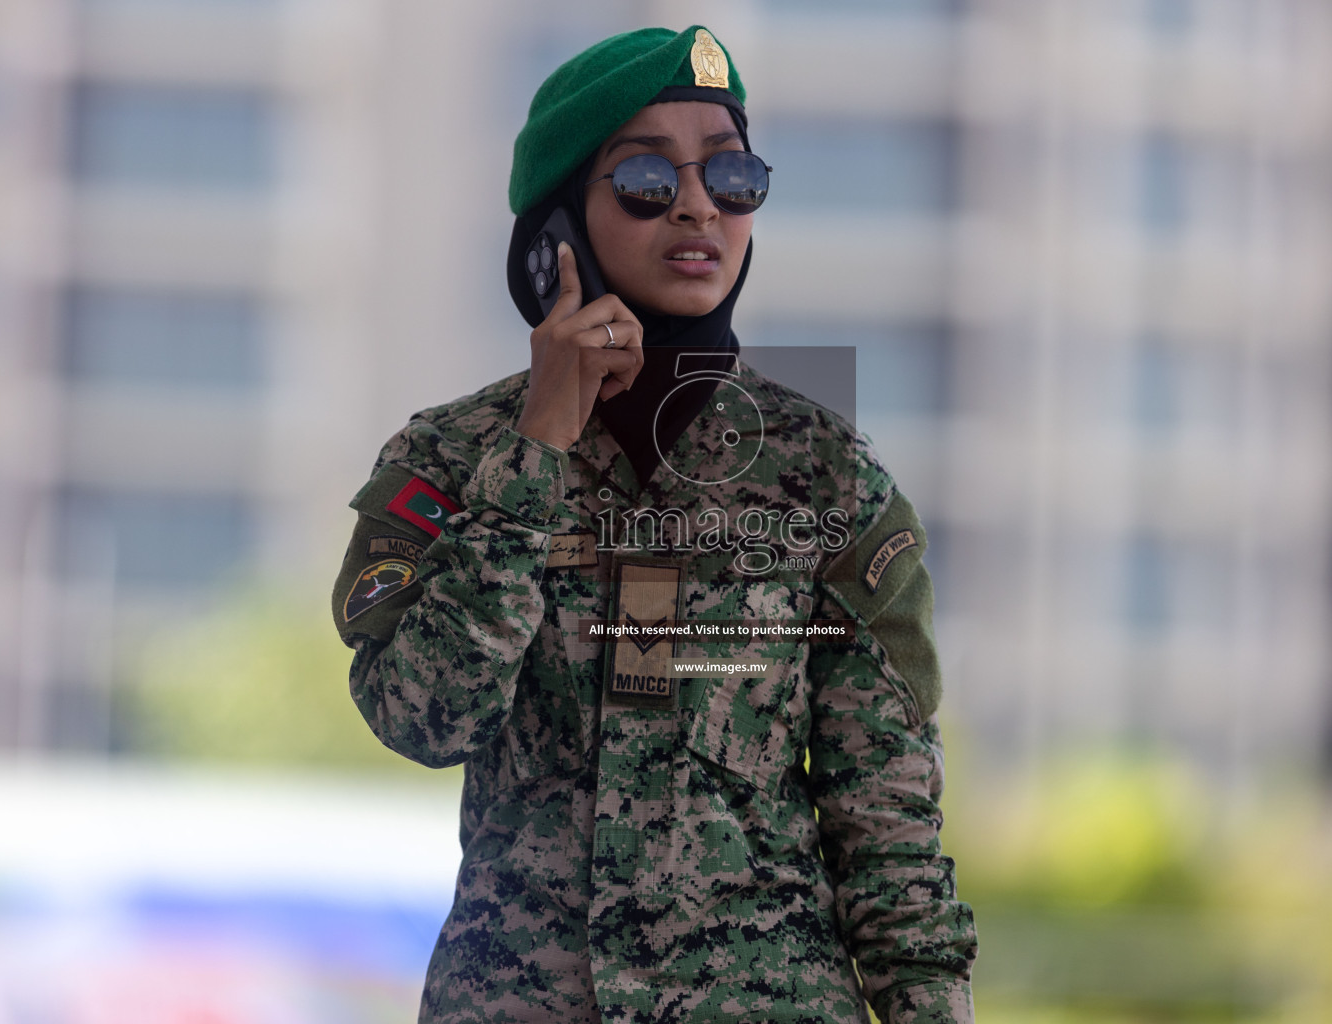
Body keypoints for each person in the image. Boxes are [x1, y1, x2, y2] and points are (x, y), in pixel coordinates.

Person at [330, 25, 977, 1024]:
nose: (695, 205)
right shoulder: (452, 460)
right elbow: (424, 716)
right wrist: (537, 453)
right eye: (643, 176)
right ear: (558, 231)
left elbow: (885, 820)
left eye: (732, 174)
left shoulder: (825, 475)